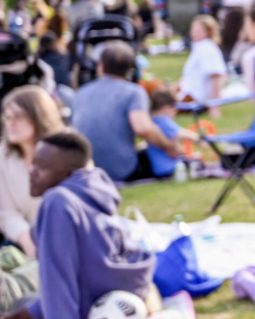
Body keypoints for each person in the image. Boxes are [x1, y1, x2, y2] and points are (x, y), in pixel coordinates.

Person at [0, 130, 155, 319]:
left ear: (68, 173)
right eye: (33, 164)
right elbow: (85, 280)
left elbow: (58, 284)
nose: (32, 172)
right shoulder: (93, 191)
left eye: (41, 167)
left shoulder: (57, 201)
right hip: (126, 295)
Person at [69, 41, 179, 183]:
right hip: (121, 171)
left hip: (85, 170)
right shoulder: (133, 92)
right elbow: (143, 128)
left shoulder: (81, 93)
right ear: (130, 69)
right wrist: (168, 146)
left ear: (100, 66)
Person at [0, 89, 63, 257]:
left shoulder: (68, 149)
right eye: (7, 117)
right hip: (25, 239)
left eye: (18, 117)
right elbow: (7, 214)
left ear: (39, 117)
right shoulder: (3, 158)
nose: (11, 123)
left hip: (66, 233)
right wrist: (27, 239)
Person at [143, 89, 197, 179]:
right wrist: (201, 139)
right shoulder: (163, 121)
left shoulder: (151, 121)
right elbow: (185, 135)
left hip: (158, 170)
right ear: (167, 108)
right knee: (196, 161)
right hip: (171, 168)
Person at [178, 15, 227, 108]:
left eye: (198, 30)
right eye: (193, 29)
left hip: (194, 98)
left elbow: (216, 76)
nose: (193, 33)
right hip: (189, 94)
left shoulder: (207, 48)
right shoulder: (199, 47)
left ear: (208, 32)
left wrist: (214, 107)